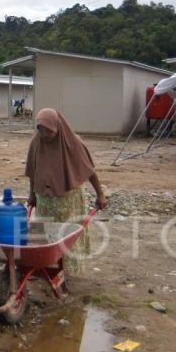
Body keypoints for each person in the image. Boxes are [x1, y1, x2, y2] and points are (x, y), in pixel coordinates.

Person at [25, 108, 108, 277]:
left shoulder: (72, 143)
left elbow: (89, 171)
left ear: (57, 127)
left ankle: (67, 269)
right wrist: (32, 194)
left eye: (49, 131)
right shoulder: (36, 142)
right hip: (45, 200)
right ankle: (44, 265)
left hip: (67, 200)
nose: (44, 134)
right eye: (41, 130)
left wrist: (100, 194)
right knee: (44, 233)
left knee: (66, 234)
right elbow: (33, 171)